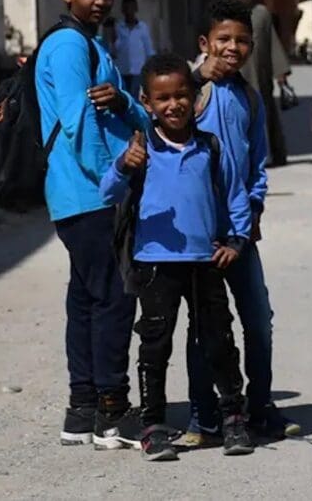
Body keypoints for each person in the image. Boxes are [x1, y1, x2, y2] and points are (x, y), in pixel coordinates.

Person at [99, 53, 255, 461]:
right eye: (163, 98)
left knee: (218, 340)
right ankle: (153, 426)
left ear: (195, 99)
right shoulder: (140, 148)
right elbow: (108, 193)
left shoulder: (209, 146)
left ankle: (233, 419)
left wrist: (236, 240)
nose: (174, 105)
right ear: (146, 102)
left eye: (182, 95)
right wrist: (121, 166)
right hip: (154, 264)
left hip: (206, 261)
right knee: (155, 346)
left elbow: (235, 194)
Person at [35, 0, 149, 449]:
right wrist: (114, 178)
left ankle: (81, 410)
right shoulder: (66, 45)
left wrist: (125, 102)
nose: (100, 0)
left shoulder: (93, 43)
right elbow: (80, 125)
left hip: (84, 195)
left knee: (85, 298)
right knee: (114, 298)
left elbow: (135, 118)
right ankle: (111, 410)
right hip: (89, 195)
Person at [186, 0, 300, 442]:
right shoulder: (189, 89)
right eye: (223, 40)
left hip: (240, 234)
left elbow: (256, 167)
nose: (233, 48)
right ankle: (203, 414)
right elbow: (149, 111)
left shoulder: (250, 99)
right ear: (205, 43)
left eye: (242, 41)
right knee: (205, 329)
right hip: (198, 236)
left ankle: (261, 406)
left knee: (257, 320)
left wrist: (252, 213)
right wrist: (195, 78)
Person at [223, 0, 291, 167]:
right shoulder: (224, 16)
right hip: (235, 74)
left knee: (264, 113)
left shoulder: (261, 13)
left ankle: (270, 155)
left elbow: (273, 43)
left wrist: (281, 73)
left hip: (260, 75)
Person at [114, 0, 154, 98]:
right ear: (122, 10)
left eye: (131, 8)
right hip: (123, 70)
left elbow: (149, 48)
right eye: (126, 8)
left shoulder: (142, 27)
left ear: (136, 9)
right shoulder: (118, 27)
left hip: (138, 70)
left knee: (136, 97)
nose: (129, 11)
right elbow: (114, 49)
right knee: (124, 96)